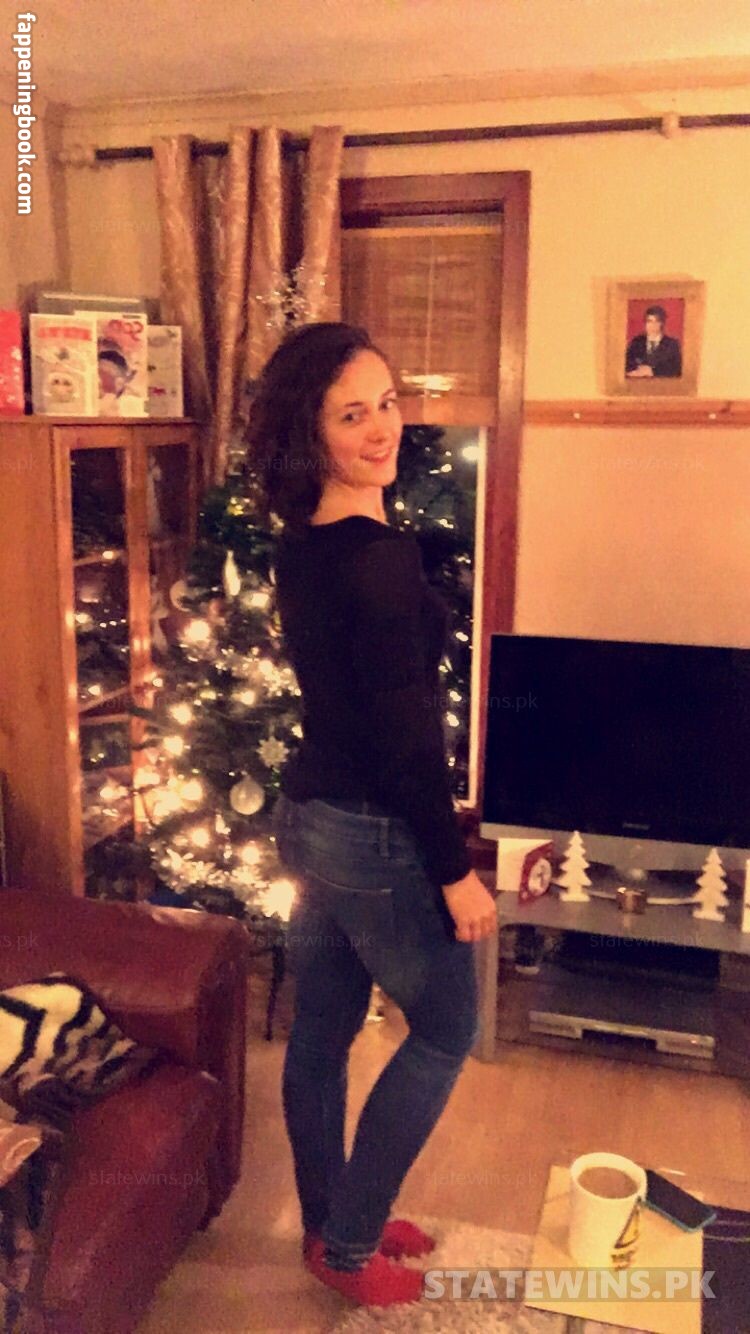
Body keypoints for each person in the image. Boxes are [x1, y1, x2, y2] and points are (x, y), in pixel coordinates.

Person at [247, 322, 497, 1308]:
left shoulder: (304, 545)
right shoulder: (380, 561)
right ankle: (348, 1243)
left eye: (388, 402)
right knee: (446, 1025)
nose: (384, 427)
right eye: (353, 414)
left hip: (311, 818)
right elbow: (405, 743)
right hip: (370, 832)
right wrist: (454, 870)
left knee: (321, 1030)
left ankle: (330, 1224)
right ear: (311, 434)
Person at [625, 305, 682, 378]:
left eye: (656, 322)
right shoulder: (636, 342)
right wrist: (637, 370)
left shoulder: (672, 344)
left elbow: (677, 370)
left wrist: (653, 371)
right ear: (645, 323)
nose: (652, 326)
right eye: (649, 321)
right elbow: (626, 364)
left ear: (662, 323)